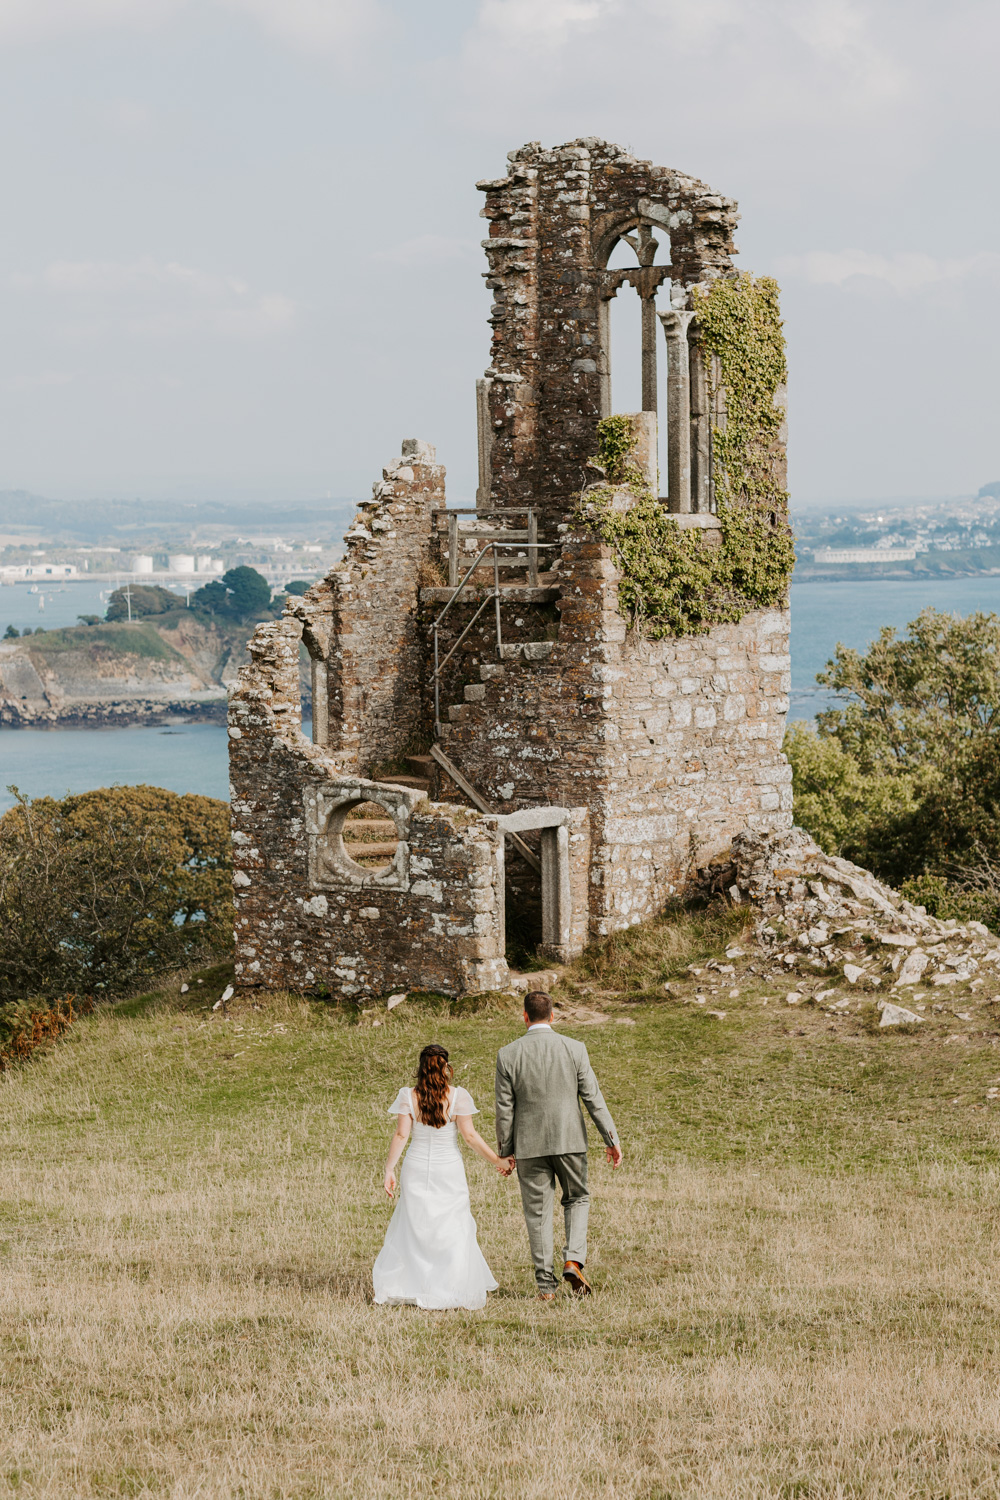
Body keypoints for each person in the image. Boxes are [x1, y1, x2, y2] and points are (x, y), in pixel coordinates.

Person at [495, 990, 622, 1301]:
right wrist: (611, 1139)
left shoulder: (508, 1054)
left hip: (529, 1144)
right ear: (552, 1016)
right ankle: (572, 1260)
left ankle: (546, 1288)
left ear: (524, 1016)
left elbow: (504, 1109)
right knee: (577, 1199)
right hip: (570, 1141)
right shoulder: (574, 1048)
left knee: (537, 1213)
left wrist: (505, 1151)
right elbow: (593, 1098)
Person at [373, 1042, 514, 1311]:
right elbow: (470, 1137)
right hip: (448, 1167)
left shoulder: (408, 1095)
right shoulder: (458, 1096)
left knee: (415, 1224)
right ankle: (450, 1285)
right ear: (446, 1067)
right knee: (452, 1223)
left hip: (415, 1165)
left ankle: (414, 1283)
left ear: (421, 1067)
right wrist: (498, 1160)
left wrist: (389, 1169)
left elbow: (402, 1135)